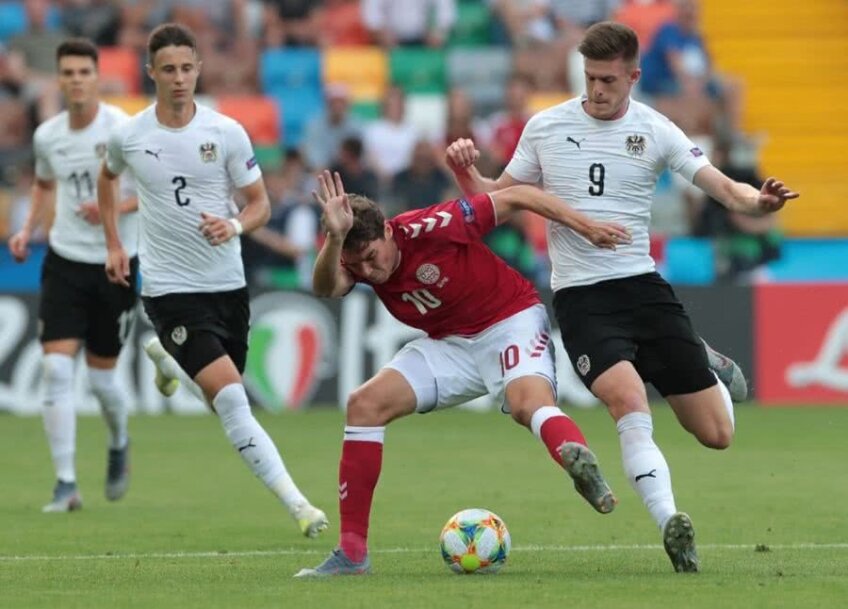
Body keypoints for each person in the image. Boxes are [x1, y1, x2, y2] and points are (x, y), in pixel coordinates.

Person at [444, 21, 799, 573]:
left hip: (643, 289)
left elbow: (726, 189)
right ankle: (672, 526)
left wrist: (761, 203)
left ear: (633, 76)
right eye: (589, 78)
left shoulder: (657, 129)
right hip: (583, 299)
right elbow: (500, 200)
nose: (597, 90)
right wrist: (468, 173)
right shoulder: (545, 126)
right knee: (628, 403)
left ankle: (699, 353)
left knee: (717, 433)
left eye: (608, 80)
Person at [295, 170, 632, 577]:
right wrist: (334, 239)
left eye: (371, 257)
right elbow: (325, 288)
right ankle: (351, 553)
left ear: (388, 231)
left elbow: (520, 194)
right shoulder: (352, 259)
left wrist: (586, 226)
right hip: (450, 345)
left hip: (509, 320)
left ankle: (578, 464)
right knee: (363, 405)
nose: (367, 271)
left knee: (530, 406)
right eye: (357, 264)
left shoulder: (435, 226)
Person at [96, 23, 328, 538]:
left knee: (220, 395)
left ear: (198, 69)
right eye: (168, 70)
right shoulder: (129, 136)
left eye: (186, 68)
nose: (179, 79)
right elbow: (107, 178)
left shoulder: (226, 133)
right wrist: (115, 242)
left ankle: (164, 355)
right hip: (169, 289)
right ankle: (299, 505)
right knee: (231, 398)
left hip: (227, 287)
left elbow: (260, 204)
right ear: (150, 72)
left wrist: (235, 225)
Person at [7, 38, 137, 513]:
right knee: (55, 368)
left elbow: (149, 190)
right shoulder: (49, 135)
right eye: (69, 73)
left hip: (115, 261)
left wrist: (111, 206)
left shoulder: (123, 129)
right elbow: (44, 183)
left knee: (103, 383)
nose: (77, 80)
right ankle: (65, 482)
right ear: (59, 80)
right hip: (64, 259)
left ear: (97, 77)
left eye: (85, 72)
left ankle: (120, 438)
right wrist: (26, 229)